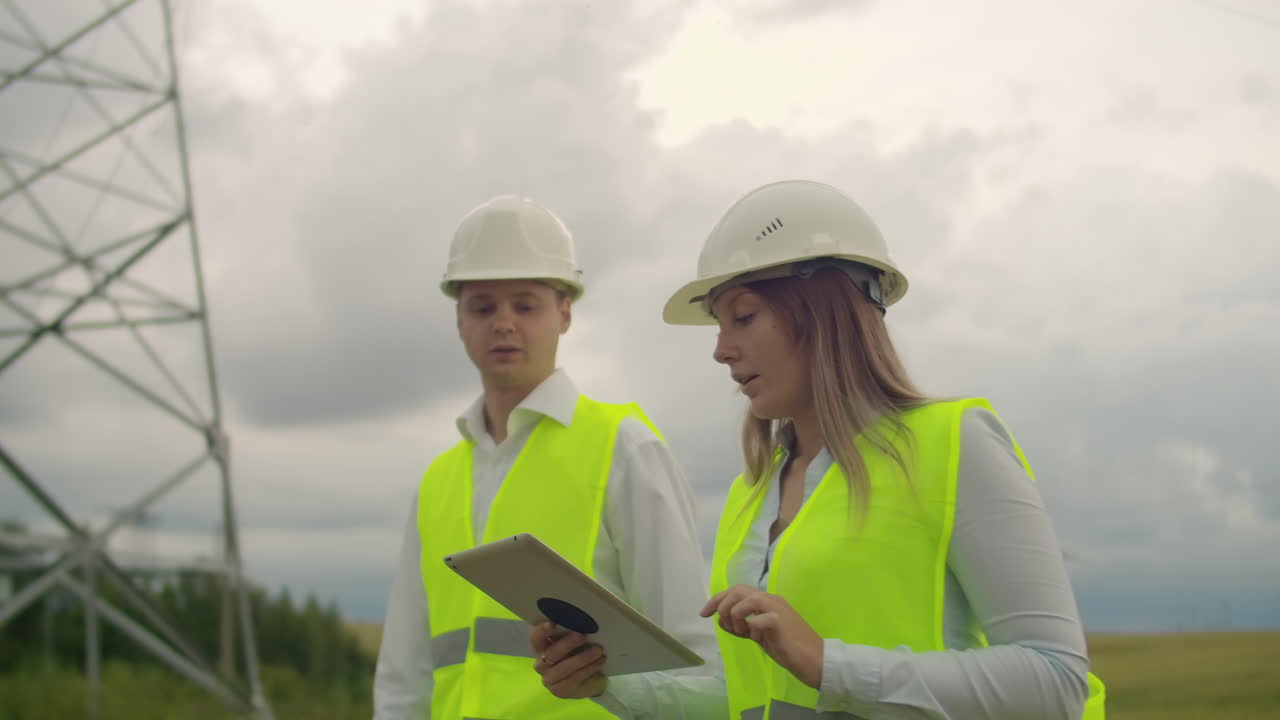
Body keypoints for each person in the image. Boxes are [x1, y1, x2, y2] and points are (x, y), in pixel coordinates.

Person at [534, 180, 1107, 718]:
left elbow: (1055, 680)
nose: (721, 350)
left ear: (824, 312)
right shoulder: (750, 494)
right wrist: (609, 685)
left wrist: (829, 664)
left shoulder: (954, 443)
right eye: (719, 324)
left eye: (744, 317)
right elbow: (753, 699)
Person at [373, 195, 718, 719]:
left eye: (525, 304)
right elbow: (405, 675)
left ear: (565, 313)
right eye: (483, 307)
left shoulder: (625, 446)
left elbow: (695, 662)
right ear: (459, 320)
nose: (504, 323)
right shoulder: (439, 481)